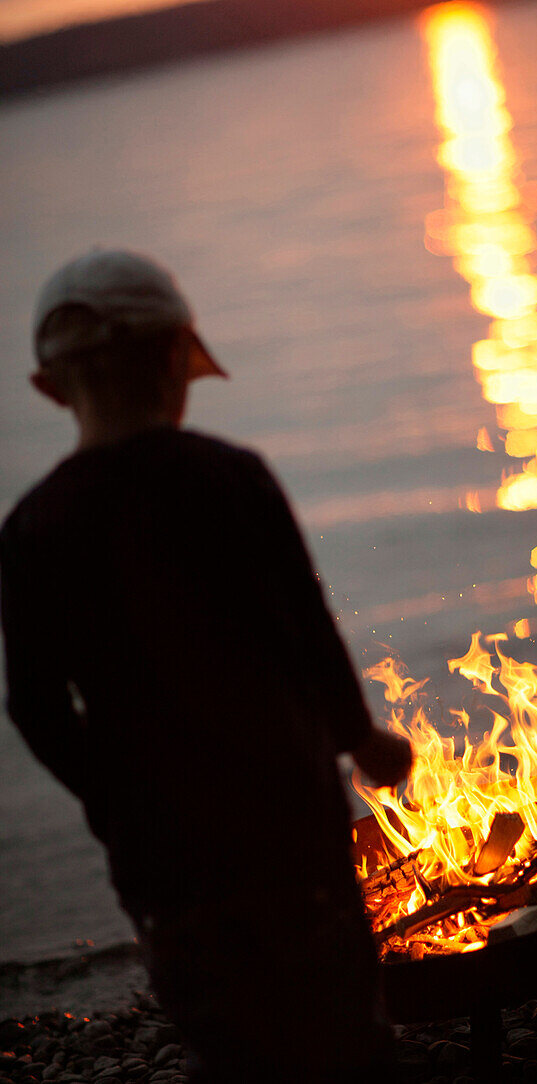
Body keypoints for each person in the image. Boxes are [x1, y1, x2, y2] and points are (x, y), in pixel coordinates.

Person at [0, 249, 413, 1081]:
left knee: (230, 1043)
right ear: (177, 365)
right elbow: (306, 632)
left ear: (50, 389)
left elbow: (34, 707)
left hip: (164, 859)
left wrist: (113, 795)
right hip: (288, 826)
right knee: (343, 1036)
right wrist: (362, 740)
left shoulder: (34, 528)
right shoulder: (232, 477)